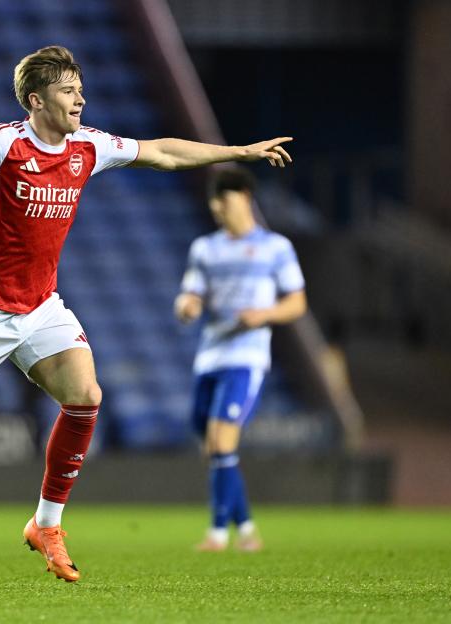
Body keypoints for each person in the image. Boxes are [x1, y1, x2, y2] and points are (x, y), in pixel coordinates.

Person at [0, 46, 293, 582]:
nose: (81, 99)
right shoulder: (2, 143)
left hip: (42, 305)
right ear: (37, 100)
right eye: (69, 90)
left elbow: (162, 152)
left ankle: (46, 524)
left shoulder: (88, 146)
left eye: (81, 89)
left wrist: (240, 150)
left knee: (86, 397)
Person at [174, 167, 307, 552]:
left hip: (246, 357)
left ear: (246, 197)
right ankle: (247, 529)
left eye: (224, 199)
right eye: (214, 200)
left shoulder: (275, 248)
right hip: (209, 356)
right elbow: (189, 294)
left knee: (221, 440)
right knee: (212, 445)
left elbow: (297, 302)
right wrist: (187, 307)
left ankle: (218, 534)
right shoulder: (205, 248)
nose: (218, 207)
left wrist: (264, 315)